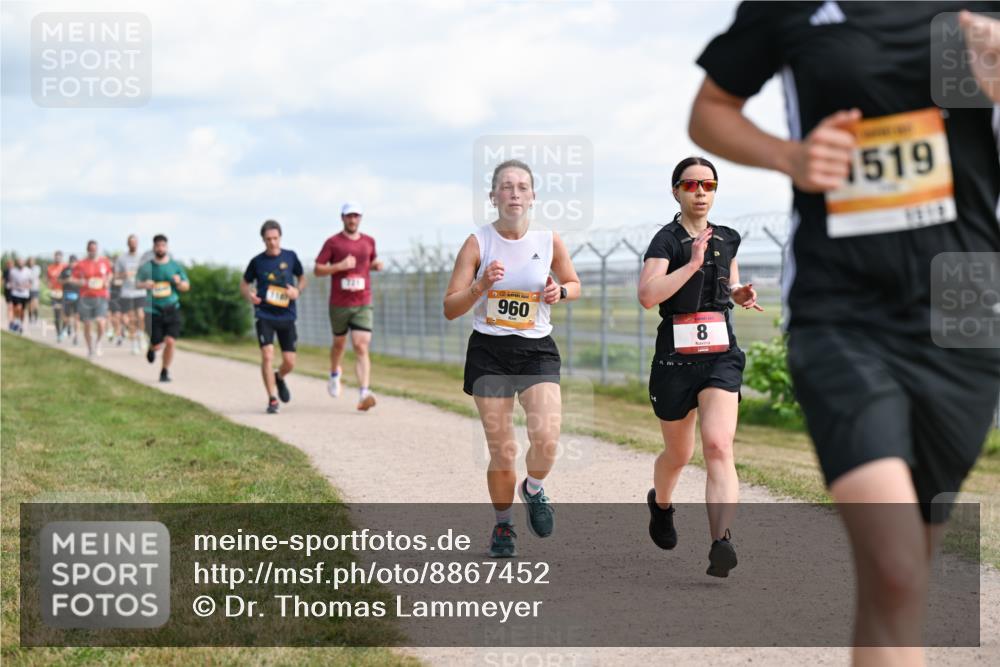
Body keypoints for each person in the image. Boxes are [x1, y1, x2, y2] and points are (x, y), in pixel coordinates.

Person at [690, 4, 1000, 662]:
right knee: (894, 567)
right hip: (843, 308)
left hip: (963, 311)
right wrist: (791, 155)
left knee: (901, 580)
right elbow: (710, 108)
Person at [444, 159, 581, 558]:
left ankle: (533, 488)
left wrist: (563, 293)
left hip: (536, 349)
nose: (515, 193)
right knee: (502, 450)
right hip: (490, 351)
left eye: (522, 186)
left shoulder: (548, 240)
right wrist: (480, 286)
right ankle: (504, 527)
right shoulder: (478, 243)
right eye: (506, 186)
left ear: (533, 195)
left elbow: (574, 283)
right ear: (493, 196)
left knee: (547, 438)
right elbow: (451, 307)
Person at [638, 157, 763, 578]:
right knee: (679, 453)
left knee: (717, 446)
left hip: (719, 357)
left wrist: (740, 293)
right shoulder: (666, 241)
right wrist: (690, 263)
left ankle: (720, 541)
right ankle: (662, 504)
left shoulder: (727, 238)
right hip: (674, 360)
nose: (700, 192)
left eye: (708, 185)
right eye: (691, 185)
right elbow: (647, 295)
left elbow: (725, 286)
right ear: (676, 191)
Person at [314, 202, 384, 411]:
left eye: (356, 216)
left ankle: (364, 393)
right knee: (339, 344)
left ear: (360, 218)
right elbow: (318, 269)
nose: (352, 220)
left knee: (361, 345)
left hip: (363, 301)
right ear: (342, 218)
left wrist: (376, 265)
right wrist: (339, 266)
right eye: (348, 216)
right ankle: (335, 372)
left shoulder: (369, 241)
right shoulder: (333, 242)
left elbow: (368, 263)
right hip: (339, 303)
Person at [241, 220, 307, 414]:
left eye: (275, 238)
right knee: (267, 354)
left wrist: (297, 291)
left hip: (287, 315)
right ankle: (272, 399)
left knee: (290, 362)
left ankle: (279, 377)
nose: (272, 242)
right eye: (268, 239)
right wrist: (250, 296)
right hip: (265, 314)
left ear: (280, 237)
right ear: (263, 240)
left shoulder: (291, 256)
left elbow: (302, 278)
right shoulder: (257, 262)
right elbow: (244, 284)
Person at [136, 234, 189, 382]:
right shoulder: (147, 267)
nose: (160, 248)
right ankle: (152, 348)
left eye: (163, 245)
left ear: (167, 247)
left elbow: (186, 286)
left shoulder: (175, 266)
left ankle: (164, 371)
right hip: (153, 310)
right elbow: (136, 283)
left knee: (171, 341)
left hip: (172, 307)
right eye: (157, 246)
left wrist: (179, 283)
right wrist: (144, 284)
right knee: (158, 343)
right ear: (153, 248)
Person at [71, 240, 113, 357]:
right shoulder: (81, 264)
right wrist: (79, 282)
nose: (92, 251)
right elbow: (72, 279)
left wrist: (107, 281)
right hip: (85, 297)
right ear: (87, 250)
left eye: (94, 249)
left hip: (101, 296)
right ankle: (90, 349)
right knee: (87, 324)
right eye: (90, 249)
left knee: (101, 322)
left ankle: (98, 343)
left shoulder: (104, 262)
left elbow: (110, 274)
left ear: (97, 249)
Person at [115, 234, 149, 354]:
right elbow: (116, 275)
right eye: (131, 243)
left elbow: (147, 272)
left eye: (135, 242)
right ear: (128, 244)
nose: (133, 245)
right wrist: (124, 274)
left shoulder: (142, 257)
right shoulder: (122, 258)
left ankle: (141, 335)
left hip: (139, 290)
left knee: (141, 316)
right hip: (127, 292)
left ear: (138, 244)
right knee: (131, 319)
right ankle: (134, 343)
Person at [7, 257, 33, 334]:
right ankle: (15, 322)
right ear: (17, 263)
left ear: (24, 263)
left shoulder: (28, 271)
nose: (20, 264)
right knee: (17, 308)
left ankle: (20, 323)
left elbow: (31, 283)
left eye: (22, 262)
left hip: (24, 294)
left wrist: (25, 286)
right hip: (15, 293)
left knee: (22, 311)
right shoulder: (13, 271)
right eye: (19, 262)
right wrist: (12, 286)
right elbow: (10, 281)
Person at [46, 251, 68, 341]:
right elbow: (47, 279)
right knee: (57, 313)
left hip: (64, 292)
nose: (58, 258)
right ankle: (59, 333)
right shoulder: (50, 268)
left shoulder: (65, 267)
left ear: (62, 258)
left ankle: (64, 329)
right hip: (55, 293)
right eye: (56, 257)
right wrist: (49, 284)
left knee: (65, 314)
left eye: (59, 257)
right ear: (54, 257)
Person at [59, 256, 80, 344]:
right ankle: (67, 327)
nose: (73, 264)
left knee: (76, 317)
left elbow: (83, 282)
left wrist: (75, 281)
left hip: (77, 296)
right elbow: (59, 281)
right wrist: (67, 280)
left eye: (74, 262)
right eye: (71, 262)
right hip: (66, 295)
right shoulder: (65, 270)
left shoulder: (80, 270)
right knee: (64, 315)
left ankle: (76, 336)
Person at [27, 257, 41, 324]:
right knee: (30, 305)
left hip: (35, 288)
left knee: (35, 304)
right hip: (28, 289)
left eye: (32, 261)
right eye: (30, 261)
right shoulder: (27, 269)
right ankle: (30, 318)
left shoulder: (37, 268)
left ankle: (36, 318)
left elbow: (33, 277)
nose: (31, 263)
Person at [2, 258, 13, 324]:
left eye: (11, 264)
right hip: (7, 290)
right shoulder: (5, 271)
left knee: (11, 305)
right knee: (8, 304)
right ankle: (9, 316)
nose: (9, 265)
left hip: (13, 290)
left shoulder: (15, 271)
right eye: (8, 264)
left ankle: (11, 317)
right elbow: (3, 280)